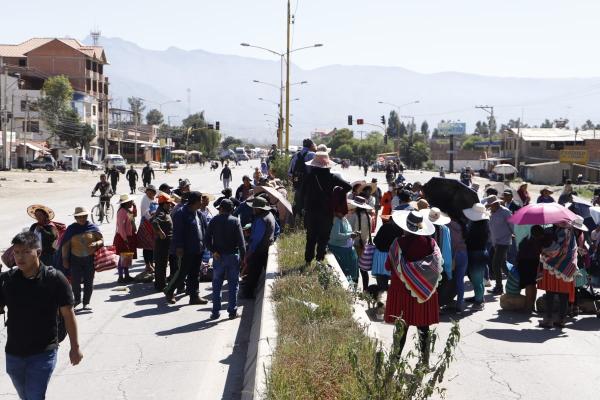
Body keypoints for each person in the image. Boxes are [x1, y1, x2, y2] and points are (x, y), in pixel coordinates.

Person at [0, 232, 83, 399]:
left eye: (25, 252)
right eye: (16, 252)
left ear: (38, 252)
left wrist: (75, 347)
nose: (19, 257)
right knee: (26, 396)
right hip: (14, 353)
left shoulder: (54, 279)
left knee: (34, 395)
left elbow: (68, 314)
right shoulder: (8, 280)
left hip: (43, 352)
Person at [384, 211, 442, 365]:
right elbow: (437, 266)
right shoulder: (431, 244)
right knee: (423, 327)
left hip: (403, 292)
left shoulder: (398, 243)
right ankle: (424, 362)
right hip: (423, 293)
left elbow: (388, 265)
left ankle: (394, 361)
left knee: (401, 328)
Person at [301, 151, 352, 264]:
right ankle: (319, 260)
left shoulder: (309, 177)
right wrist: (337, 194)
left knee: (311, 238)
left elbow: (302, 193)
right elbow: (348, 187)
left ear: (314, 164)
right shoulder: (332, 177)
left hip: (311, 212)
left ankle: (308, 261)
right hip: (326, 212)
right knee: (323, 238)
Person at [165, 191, 209, 305]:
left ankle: (194, 295)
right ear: (194, 201)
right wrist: (179, 247)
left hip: (198, 248)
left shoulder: (199, 214)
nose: (202, 202)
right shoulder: (181, 214)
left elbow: (205, 229)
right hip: (186, 249)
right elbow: (178, 232)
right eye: (200, 200)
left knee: (195, 273)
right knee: (182, 272)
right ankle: (169, 291)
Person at [205, 199, 246, 319]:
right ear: (232, 209)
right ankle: (232, 312)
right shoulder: (235, 221)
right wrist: (243, 260)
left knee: (217, 284)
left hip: (219, 257)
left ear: (221, 208)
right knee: (233, 285)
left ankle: (215, 312)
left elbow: (207, 240)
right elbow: (241, 243)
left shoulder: (214, 220)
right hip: (233, 257)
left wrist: (213, 251)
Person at [59, 207, 103, 311]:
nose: (82, 218)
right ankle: (77, 300)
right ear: (75, 217)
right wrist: (65, 259)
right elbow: (65, 245)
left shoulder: (93, 227)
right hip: (75, 259)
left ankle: (86, 303)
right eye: (79, 217)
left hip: (89, 259)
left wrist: (97, 243)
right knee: (75, 281)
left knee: (89, 281)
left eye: (84, 216)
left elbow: (101, 240)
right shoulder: (71, 229)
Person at [538, 222, 578, 328]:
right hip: (567, 267)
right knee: (563, 295)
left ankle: (549, 319)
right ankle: (561, 319)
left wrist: (544, 250)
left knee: (550, 293)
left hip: (554, 266)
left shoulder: (561, 232)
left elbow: (555, 250)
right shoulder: (571, 232)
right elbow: (573, 250)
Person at [242, 197, 276, 298]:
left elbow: (256, 239)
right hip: (265, 248)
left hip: (259, 250)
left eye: (254, 208)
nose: (253, 209)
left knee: (253, 273)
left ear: (259, 208)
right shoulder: (270, 215)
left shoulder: (261, 219)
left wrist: (249, 252)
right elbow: (277, 229)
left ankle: (248, 294)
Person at [328, 188, 359, 283]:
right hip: (341, 252)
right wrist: (350, 235)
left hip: (347, 251)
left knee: (352, 278)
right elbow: (335, 236)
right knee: (345, 278)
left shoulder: (341, 218)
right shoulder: (336, 219)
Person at [463, 203, 490, 310]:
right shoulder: (480, 223)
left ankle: (479, 301)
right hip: (477, 252)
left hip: (477, 253)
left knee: (477, 279)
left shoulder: (480, 226)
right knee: (474, 278)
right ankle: (478, 297)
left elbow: (470, 239)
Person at [486, 195, 514, 295]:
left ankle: (499, 287)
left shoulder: (505, 212)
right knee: (503, 264)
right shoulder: (491, 213)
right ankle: (515, 281)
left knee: (496, 264)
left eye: (492, 204)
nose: (491, 207)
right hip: (495, 242)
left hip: (504, 242)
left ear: (496, 203)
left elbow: (512, 225)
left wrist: (514, 234)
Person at [516, 225, 545, 313]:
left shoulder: (527, 240)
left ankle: (528, 307)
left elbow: (520, 252)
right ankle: (531, 306)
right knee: (533, 284)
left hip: (525, 263)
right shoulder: (539, 241)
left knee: (529, 285)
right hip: (534, 263)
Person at [348, 196, 374, 290]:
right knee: (363, 270)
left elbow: (349, 230)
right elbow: (370, 231)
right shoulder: (369, 217)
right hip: (364, 245)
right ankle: (365, 290)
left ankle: (354, 289)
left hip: (355, 245)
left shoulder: (353, 216)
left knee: (354, 269)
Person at [372, 214, 403, 291]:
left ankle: (382, 299)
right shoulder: (401, 229)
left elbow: (375, 240)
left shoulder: (385, 226)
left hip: (381, 256)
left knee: (382, 284)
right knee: (394, 284)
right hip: (394, 257)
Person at [152, 193, 175, 292]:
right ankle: (160, 285)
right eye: (168, 203)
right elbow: (154, 222)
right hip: (162, 243)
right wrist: (160, 232)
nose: (170, 205)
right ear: (164, 204)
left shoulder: (164, 211)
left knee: (162, 263)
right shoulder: (161, 212)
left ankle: (160, 283)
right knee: (161, 264)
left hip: (165, 243)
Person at [289, 138, 317, 218]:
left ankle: (296, 221)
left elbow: (290, 172)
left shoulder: (296, 155)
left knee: (298, 203)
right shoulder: (312, 155)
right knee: (307, 205)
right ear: (311, 145)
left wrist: (294, 183)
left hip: (297, 184)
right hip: (309, 185)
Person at [113, 195, 137, 284]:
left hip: (128, 237)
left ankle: (126, 275)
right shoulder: (122, 212)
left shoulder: (128, 211)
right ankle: (120, 276)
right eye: (130, 202)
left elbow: (133, 219)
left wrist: (134, 207)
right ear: (125, 203)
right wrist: (125, 239)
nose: (131, 203)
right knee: (122, 257)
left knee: (127, 257)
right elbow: (121, 227)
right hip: (123, 237)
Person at [448, 215, 469, 312]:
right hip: (464, 254)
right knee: (460, 280)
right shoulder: (463, 226)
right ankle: (459, 304)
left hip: (453, 255)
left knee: (449, 278)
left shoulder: (448, 226)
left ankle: (449, 301)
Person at [138, 185, 158, 273]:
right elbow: (145, 212)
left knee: (152, 246)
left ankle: (151, 263)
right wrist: (152, 217)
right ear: (146, 192)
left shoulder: (153, 199)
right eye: (149, 192)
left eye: (152, 192)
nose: (151, 194)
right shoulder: (145, 200)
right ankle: (147, 265)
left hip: (153, 223)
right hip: (146, 224)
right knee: (147, 246)